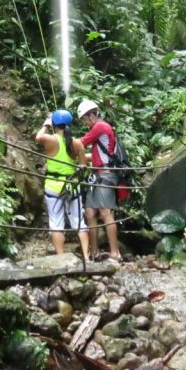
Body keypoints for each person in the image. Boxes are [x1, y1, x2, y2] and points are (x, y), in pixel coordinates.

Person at [35, 109, 91, 260]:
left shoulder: (50, 140)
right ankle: (86, 256)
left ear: (54, 124)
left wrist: (46, 124)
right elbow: (83, 165)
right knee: (79, 221)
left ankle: (60, 258)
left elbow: (38, 136)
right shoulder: (77, 143)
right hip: (72, 186)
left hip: (53, 186)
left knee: (56, 222)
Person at [77, 98, 122, 262]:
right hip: (97, 175)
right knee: (90, 213)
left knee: (105, 212)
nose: (84, 123)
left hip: (106, 174)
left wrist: (61, 144)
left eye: (84, 119)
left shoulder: (100, 126)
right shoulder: (99, 129)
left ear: (91, 116)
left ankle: (115, 253)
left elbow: (80, 144)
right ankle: (94, 252)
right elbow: (94, 155)